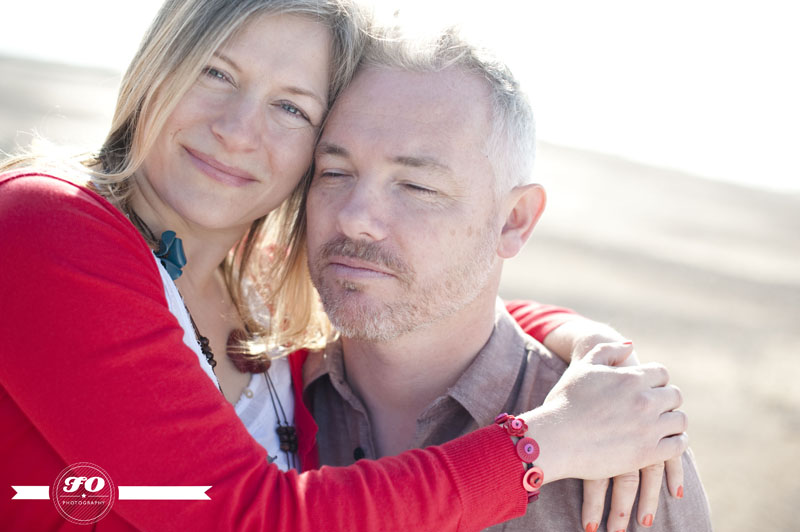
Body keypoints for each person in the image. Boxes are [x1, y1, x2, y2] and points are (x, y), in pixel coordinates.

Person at [0, 0, 685, 530]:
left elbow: (421, 287)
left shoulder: (265, 297)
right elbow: (245, 516)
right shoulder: (46, 223)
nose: (239, 130)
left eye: (291, 107)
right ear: (158, 67)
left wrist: (587, 343)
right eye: (215, 72)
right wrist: (544, 445)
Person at [302, 29, 712, 532]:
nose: (354, 217)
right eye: (334, 172)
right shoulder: (258, 391)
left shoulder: (626, 448)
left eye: (416, 185)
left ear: (514, 219)